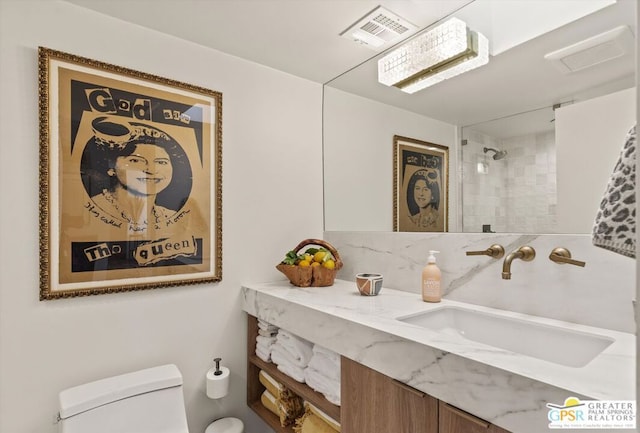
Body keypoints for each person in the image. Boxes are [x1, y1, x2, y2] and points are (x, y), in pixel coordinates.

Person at [80, 116, 192, 234]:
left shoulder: (171, 217)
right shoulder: (91, 211)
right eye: (135, 161)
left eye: (161, 162)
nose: (152, 170)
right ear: (111, 167)